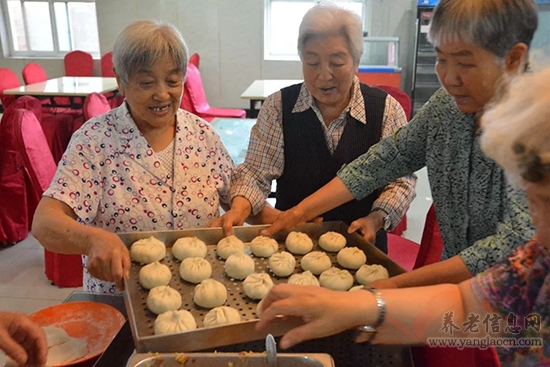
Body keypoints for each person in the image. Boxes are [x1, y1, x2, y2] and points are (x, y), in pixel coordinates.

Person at [257, 66, 550, 365]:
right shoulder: (535, 263)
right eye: (531, 201)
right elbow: (463, 306)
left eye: (542, 204)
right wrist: (364, 307)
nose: (534, 225)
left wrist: (379, 297)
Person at [261, 0, 537, 287]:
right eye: (441, 59)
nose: (450, 79)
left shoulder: (537, 128)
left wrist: (396, 286)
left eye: (465, 63)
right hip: (456, 291)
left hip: (521, 297)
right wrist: (300, 212)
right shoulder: (445, 110)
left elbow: (513, 244)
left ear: (513, 59)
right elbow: (384, 160)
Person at [32, 20, 234, 294]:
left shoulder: (203, 135)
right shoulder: (95, 141)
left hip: (199, 295)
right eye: (147, 82)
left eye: (173, 81)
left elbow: (239, 198)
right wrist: (91, 240)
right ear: (121, 80)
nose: (162, 94)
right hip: (123, 299)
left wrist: (276, 216)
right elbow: (45, 223)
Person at [212, 3, 416, 253]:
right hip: (290, 244)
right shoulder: (279, 107)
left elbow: (399, 182)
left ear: (356, 61)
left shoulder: (386, 110)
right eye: (312, 62)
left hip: (361, 247)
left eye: (336, 62)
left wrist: (376, 218)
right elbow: (256, 171)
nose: (323, 75)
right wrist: (240, 206)